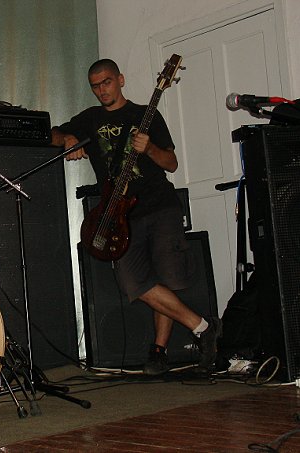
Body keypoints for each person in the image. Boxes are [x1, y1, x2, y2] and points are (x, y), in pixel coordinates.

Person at [52, 58, 222, 375]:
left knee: (168, 279)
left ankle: (158, 352)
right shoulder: (90, 119)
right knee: (132, 281)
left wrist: (149, 150)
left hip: (159, 205)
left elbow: (171, 163)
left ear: (121, 79)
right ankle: (203, 326)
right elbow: (52, 134)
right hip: (120, 213)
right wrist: (68, 139)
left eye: (106, 82)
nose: (101, 90)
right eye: (95, 86)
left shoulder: (146, 115)